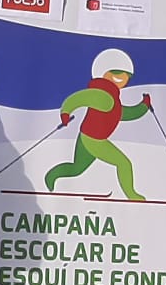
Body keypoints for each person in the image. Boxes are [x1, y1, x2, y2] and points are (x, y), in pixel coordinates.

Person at [45, 48, 152, 202]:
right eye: (116, 73)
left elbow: (126, 113)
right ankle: (132, 195)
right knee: (123, 163)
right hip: (94, 141)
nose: (122, 78)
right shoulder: (102, 95)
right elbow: (78, 98)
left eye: (126, 76)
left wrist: (144, 105)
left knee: (76, 169)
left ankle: (51, 176)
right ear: (104, 72)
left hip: (87, 137)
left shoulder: (112, 99)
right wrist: (66, 112)